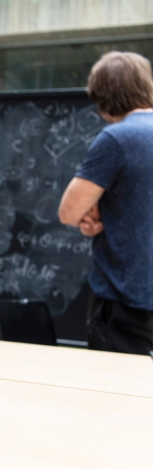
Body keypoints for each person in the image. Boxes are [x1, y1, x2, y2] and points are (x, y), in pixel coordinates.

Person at [59, 51, 153, 354]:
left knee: (113, 397)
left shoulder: (118, 139)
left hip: (125, 307)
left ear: (103, 97)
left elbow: (69, 212)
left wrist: (92, 216)